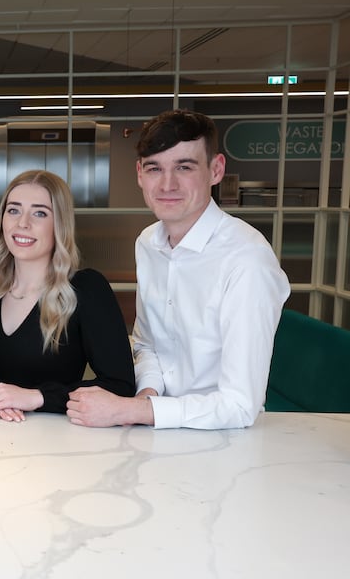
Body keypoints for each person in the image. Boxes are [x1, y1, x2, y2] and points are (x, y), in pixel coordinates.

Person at [66, 109, 290, 429]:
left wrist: (132, 411)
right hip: (157, 428)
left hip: (221, 438)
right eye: (155, 168)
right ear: (140, 174)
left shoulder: (246, 259)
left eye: (184, 166)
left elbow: (239, 405)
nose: (167, 183)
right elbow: (148, 344)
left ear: (216, 170)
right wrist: (147, 394)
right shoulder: (148, 243)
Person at [0, 170, 135, 421]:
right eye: (13, 210)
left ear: (59, 224)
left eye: (39, 213)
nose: (22, 223)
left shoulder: (86, 289)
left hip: (57, 443)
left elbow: (119, 385)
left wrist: (36, 397)